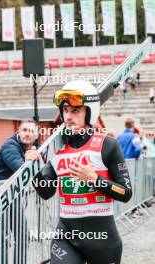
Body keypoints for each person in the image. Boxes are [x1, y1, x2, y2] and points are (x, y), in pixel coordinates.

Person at [33, 80, 132, 264]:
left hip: (103, 240)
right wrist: (34, 166)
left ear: (90, 112)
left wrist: (94, 179)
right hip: (66, 238)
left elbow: (125, 193)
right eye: (65, 111)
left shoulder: (108, 145)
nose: (68, 117)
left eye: (75, 111)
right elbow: (45, 193)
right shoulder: (57, 149)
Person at [0, 118, 39, 264]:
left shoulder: (30, 147)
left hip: (13, 194)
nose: (27, 134)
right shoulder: (10, 146)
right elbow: (21, 170)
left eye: (31, 131)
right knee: (3, 239)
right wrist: (31, 159)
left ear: (36, 135)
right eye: (24, 130)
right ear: (18, 131)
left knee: (22, 235)